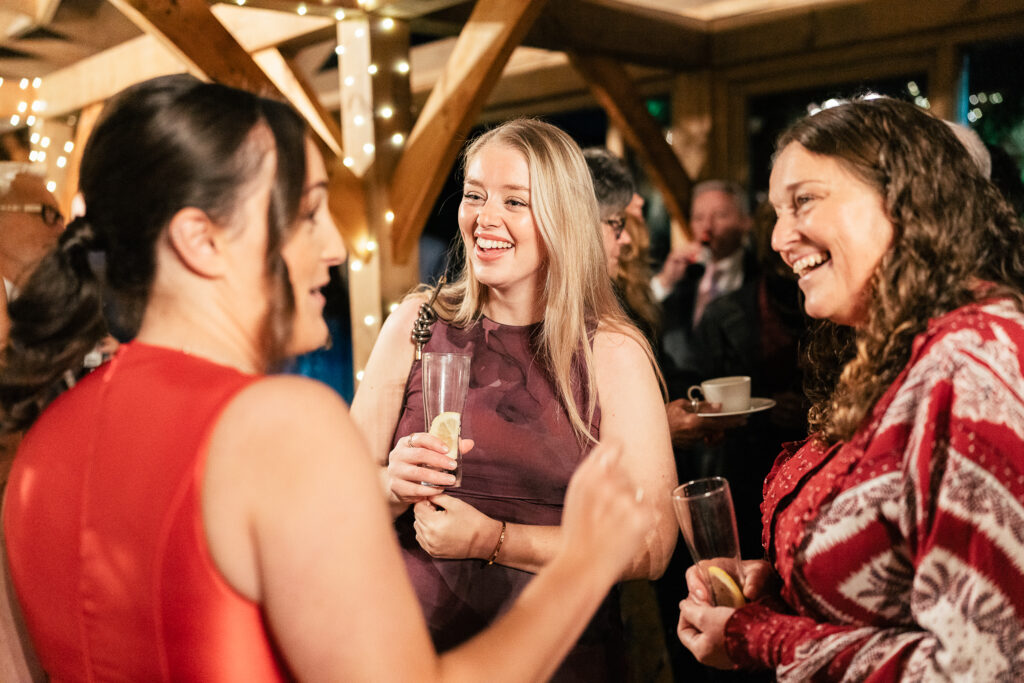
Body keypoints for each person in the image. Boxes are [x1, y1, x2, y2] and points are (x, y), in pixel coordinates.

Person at [0, 75, 654, 681]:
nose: (338, 246)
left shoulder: (39, 438)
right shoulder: (282, 422)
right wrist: (584, 563)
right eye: (309, 213)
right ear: (200, 240)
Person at [677, 95, 1024, 680]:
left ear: (906, 200)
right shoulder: (902, 351)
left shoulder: (973, 364)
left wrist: (759, 636)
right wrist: (787, 585)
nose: (782, 239)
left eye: (804, 201)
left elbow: (984, 667)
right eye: (777, 212)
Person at [351, 118, 677, 681]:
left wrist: (494, 541)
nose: (485, 218)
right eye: (474, 195)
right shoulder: (417, 322)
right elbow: (338, 504)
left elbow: (653, 545)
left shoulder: (611, 351)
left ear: (563, 218)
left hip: (558, 660)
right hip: (407, 653)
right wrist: (388, 486)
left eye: (515, 201)